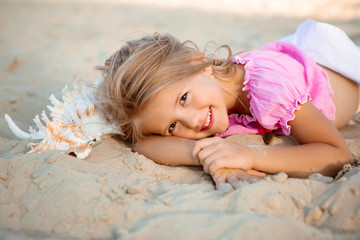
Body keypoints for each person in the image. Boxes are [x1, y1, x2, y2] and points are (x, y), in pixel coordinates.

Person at [95, 19, 360, 189]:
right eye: (172, 125)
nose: (192, 122)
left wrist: (247, 155)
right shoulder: (208, 99)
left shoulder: (271, 90)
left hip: (340, 66)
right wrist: (213, 155)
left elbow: (337, 154)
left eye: (183, 98)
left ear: (199, 64)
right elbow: (145, 144)